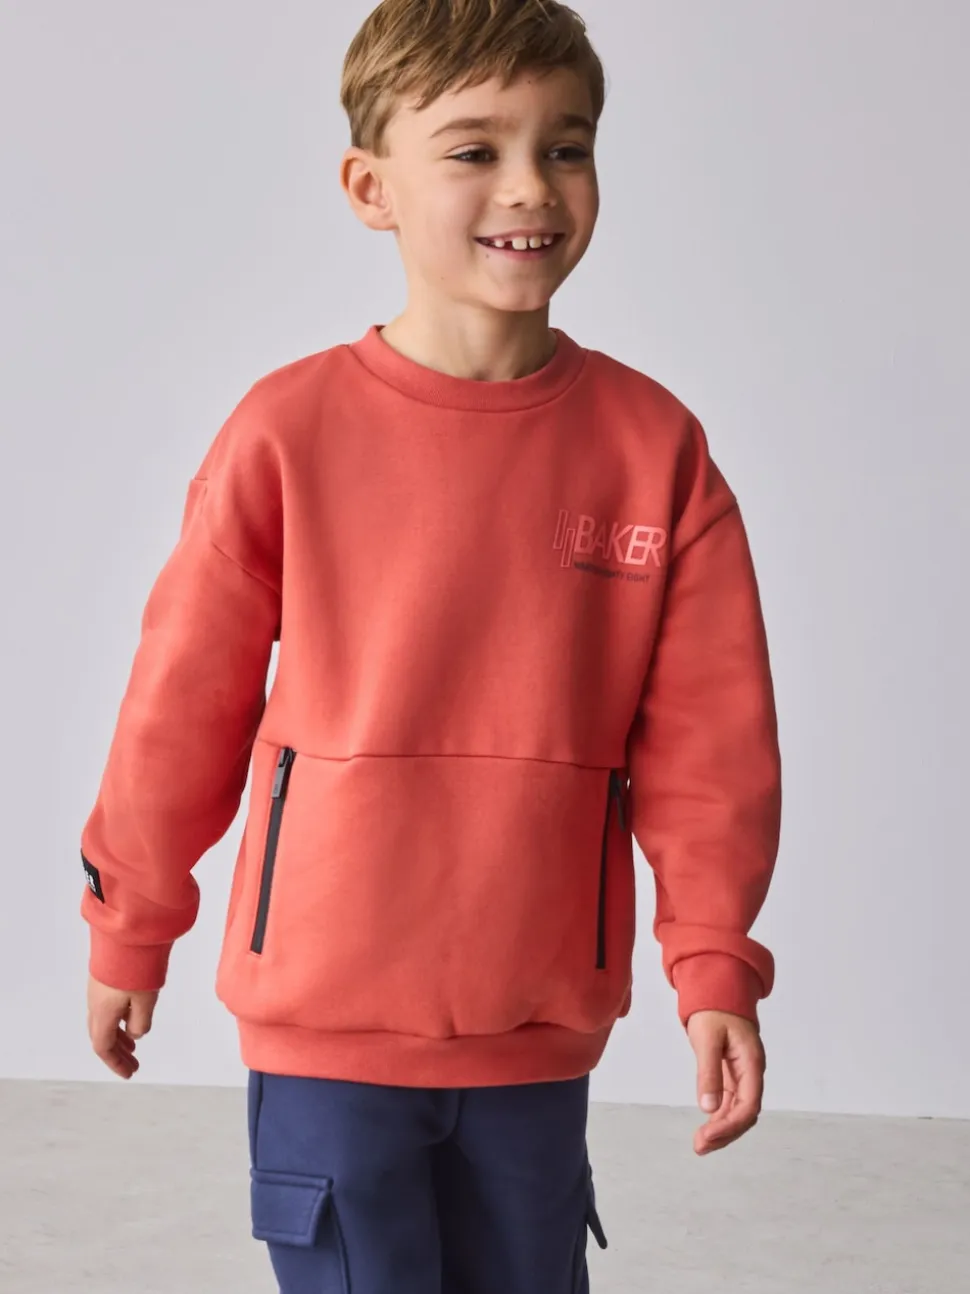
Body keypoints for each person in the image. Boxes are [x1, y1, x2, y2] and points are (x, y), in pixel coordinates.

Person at [80, 1, 782, 1290]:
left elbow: (712, 750)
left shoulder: (654, 450)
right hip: (324, 1017)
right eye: (474, 150)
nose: (531, 187)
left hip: (534, 1018)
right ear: (372, 187)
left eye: (566, 147)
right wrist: (134, 923)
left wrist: (715, 964)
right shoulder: (287, 431)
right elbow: (182, 705)